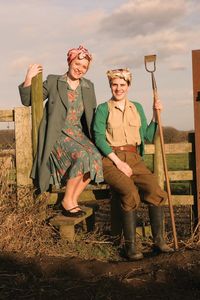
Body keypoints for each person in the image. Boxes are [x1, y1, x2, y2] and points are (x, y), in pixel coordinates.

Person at [93, 68, 173, 261]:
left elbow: (146, 135)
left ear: (128, 86)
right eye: (114, 85)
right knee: (130, 193)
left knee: (156, 191)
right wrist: (118, 162)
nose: (118, 88)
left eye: (122, 85)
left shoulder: (136, 107)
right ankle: (131, 248)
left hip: (135, 159)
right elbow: (98, 137)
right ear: (110, 86)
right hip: (111, 160)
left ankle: (159, 241)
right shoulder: (104, 108)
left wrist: (155, 115)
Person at [19, 45, 103, 217]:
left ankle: (72, 199)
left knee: (95, 157)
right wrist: (28, 78)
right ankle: (67, 201)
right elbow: (28, 100)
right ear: (70, 62)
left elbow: (92, 115)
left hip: (78, 133)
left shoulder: (88, 86)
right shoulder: (53, 81)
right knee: (81, 156)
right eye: (77, 64)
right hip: (58, 134)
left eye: (84, 67)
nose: (80, 69)